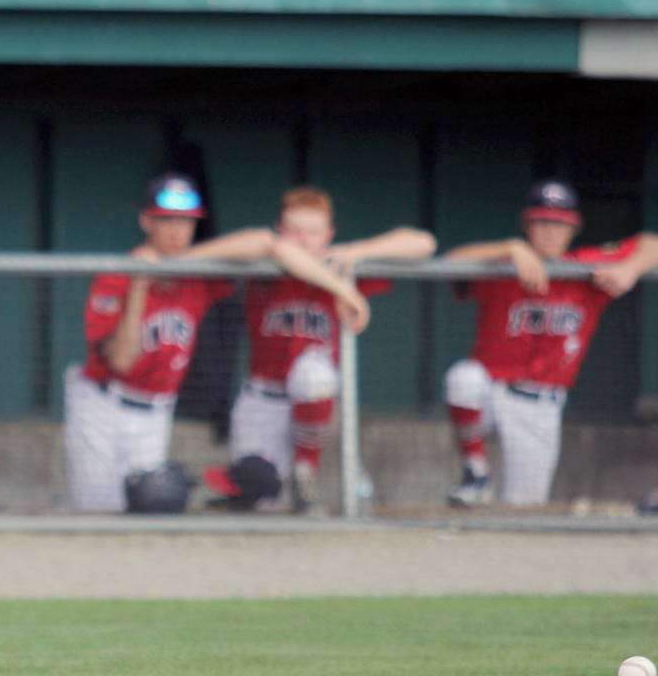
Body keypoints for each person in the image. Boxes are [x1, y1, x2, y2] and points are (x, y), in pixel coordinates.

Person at [63, 172, 371, 513]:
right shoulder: (115, 276)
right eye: (166, 220)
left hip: (156, 412)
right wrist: (140, 284)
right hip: (102, 407)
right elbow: (121, 360)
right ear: (146, 220)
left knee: (150, 507)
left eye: (186, 221)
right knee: (97, 511)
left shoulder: (196, 274)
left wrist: (344, 290)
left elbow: (266, 243)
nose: (177, 230)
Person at [217, 186, 435, 513]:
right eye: (294, 231)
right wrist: (344, 292)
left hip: (315, 402)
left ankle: (306, 470)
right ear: (280, 230)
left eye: (313, 232)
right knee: (259, 499)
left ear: (328, 234)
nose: (304, 240)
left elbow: (424, 243)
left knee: (314, 373)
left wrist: (357, 251)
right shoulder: (267, 266)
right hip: (263, 399)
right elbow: (269, 247)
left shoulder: (342, 264)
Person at [441, 178, 658, 507]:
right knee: (463, 377)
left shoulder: (585, 266)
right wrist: (509, 248)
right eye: (542, 221)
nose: (550, 231)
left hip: (539, 406)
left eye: (559, 223)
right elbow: (448, 262)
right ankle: (475, 470)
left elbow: (652, 243)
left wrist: (630, 268)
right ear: (527, 224)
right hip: (490, 393)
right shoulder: (505, 265)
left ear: (573, 229)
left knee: (524, 508)